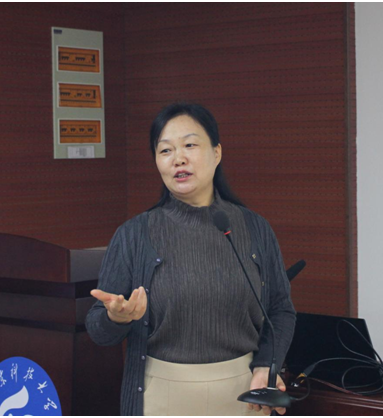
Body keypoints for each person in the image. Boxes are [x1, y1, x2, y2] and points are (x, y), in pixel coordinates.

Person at [85, 102, 296, 416]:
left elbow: (280, 310)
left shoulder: (254, 227)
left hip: (243, 393)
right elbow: (98, 330)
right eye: (165, 150)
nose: (178, 158)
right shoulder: (134, 234)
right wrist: (117, 318)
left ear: (217, 153)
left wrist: (267, 365)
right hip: (161, 395)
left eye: (190, 145)